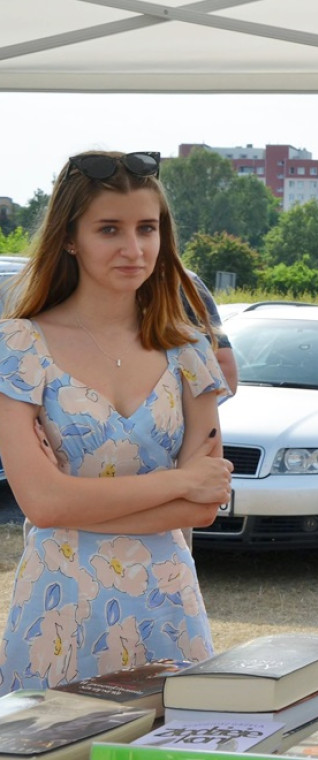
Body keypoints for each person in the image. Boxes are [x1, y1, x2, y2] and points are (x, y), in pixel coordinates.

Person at [0, 150, 233, 693]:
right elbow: (42, 504)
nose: (134, 249)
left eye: (147, 228)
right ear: (69, 237)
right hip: (59, 608)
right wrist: (176, 482)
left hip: (168, 604)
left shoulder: (189, 349)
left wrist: (73, 506)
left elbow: (204, 507)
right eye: (110, 229)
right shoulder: (18, 346)